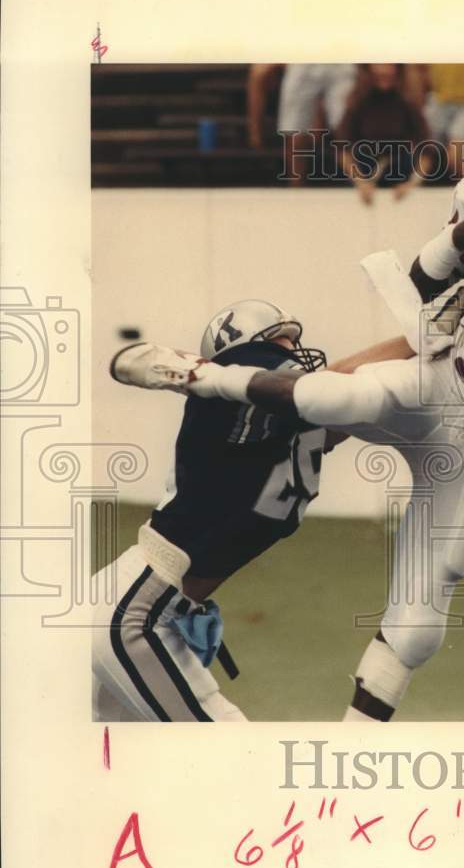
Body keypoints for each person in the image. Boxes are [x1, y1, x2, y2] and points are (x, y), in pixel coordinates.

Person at [110, 108, 464, 723]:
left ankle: (355, 748)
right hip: (442, 379)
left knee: (417, 627)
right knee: (340, 398)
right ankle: (197, 375)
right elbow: (418, 290)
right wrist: (454, 242)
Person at [95, 300, 410, 721]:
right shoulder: (239, 387)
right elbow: (335, 383)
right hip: (137, 611)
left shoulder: (274, 422)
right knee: (232, 755)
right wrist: (419, 338)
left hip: (147, 605)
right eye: (284, 339)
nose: (297, 349)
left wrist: (433, 351)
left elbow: (352, 397)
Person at [335, 64, 431, 205]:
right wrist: (360, 182)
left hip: (400, 170)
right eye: (379, 67)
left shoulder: (408, 102)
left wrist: (411, 184)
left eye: (389, 66)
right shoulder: (358, 101)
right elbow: (343, 149)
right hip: (363, 168)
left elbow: (427, 152)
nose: (384, 71)